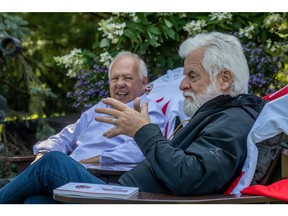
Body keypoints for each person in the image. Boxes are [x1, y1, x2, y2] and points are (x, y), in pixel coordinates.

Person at [0, 32, 266, 204]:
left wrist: (142, 130)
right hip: (123, 193)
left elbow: (189, 176)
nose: (182, 85)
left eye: (192, 76)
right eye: (114, 78)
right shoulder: (217, 115)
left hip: (134, 202)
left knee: (53, 165)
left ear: (224, 79)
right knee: (35, 202)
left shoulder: (234, 119)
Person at [32, 51, 167, 165]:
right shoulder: (99, 108)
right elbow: (65, 137)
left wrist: (86, 163)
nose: (120, 84)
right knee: (34, 196)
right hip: (68, 171)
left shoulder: (148, 110)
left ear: (143, 82)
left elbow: (138, 151)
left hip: (99, 178)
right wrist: (44, 152)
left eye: (128, 78)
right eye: (115, 78)